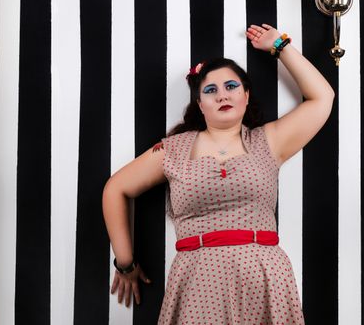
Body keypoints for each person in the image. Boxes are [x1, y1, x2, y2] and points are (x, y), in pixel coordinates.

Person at [102, 23, 335, 323]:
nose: (222, 95)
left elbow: (322, 98)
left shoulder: (269, 141)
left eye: (231, 86)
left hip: (264, 279)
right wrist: (125, 263)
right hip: (196, 281)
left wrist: (280, 45)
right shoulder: (172, 150)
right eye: (210, 90)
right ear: (200, 105)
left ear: (246, 95)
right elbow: (116, 189)